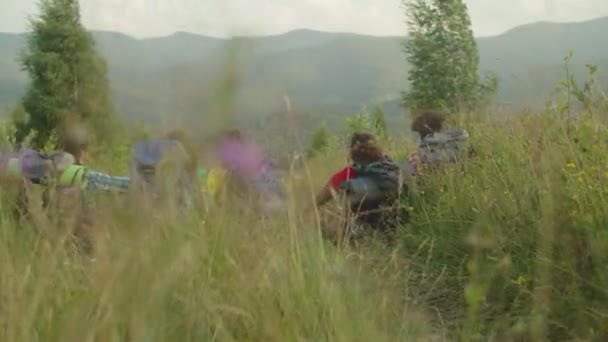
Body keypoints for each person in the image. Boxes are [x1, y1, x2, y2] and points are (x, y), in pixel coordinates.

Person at [314, 132, 403, 243]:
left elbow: (320, 199)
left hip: (360, 233)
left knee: (325, 217)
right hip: (393, 229)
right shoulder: (391, 169)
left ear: (352, 152)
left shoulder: (349, 172)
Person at [214, 129, 285, 214]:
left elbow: (226, 165)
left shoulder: (229, 149)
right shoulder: (250, 148)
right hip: (256, 182)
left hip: (250, 181)